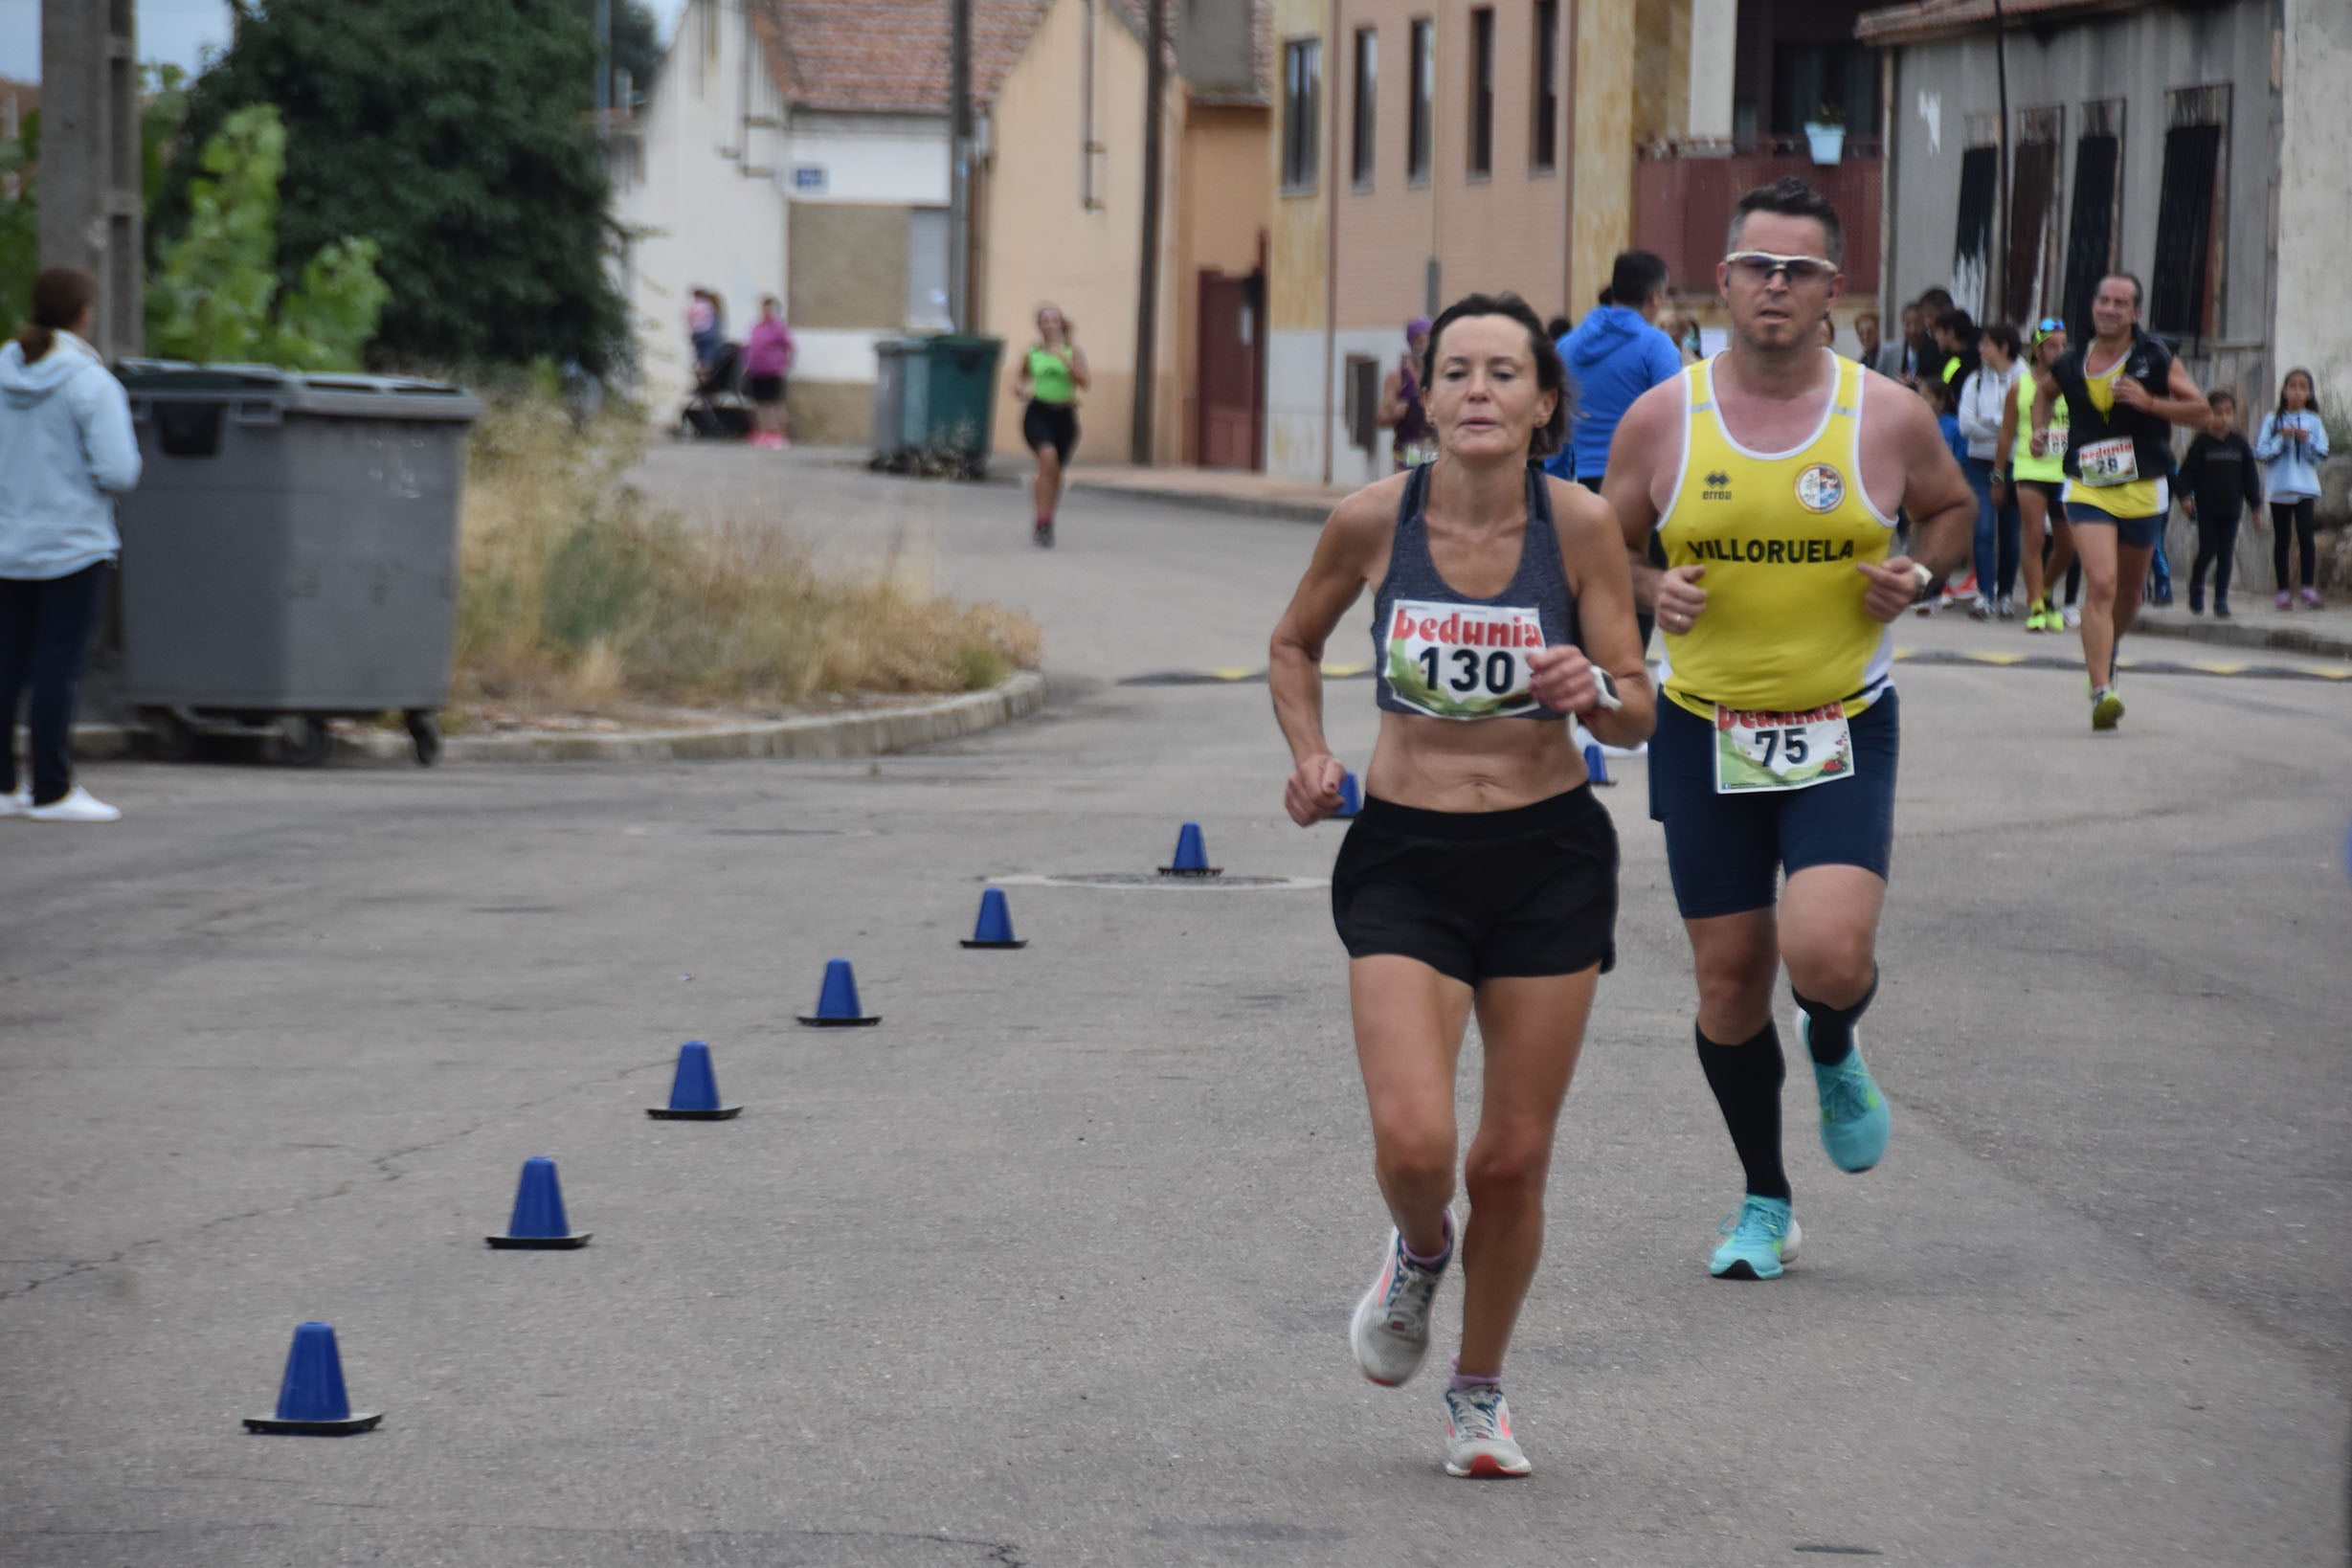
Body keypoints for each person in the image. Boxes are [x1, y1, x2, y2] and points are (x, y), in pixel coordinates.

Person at [1268, 290, 1654, 1478]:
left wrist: (1589, 690)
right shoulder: (1372, 519)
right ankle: (1419, 1250)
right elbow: (1292, 644)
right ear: (1425, 398)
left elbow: (1640, 711)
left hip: (1546, 858)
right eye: (1456, 373)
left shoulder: (1581, 526)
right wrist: (1312, 757)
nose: (1477, 391)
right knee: (1420, 1142)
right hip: (1406, 856)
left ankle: (1478, 1397)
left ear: (1546, 404)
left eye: (1503, 374)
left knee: (1512, 1161)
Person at [1601, 177, 1975, 1283]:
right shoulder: (1664, 416)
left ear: (1830, 291)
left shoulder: (1888, 413)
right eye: (1756, 266)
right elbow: (1596, 549)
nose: (1775, 285)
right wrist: (1645, 587)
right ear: (1720, 282)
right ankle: (1766, 1199)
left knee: (1825, 953)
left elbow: (1953, 511)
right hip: (1703, 726)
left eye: (1798, 270)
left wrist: (1920, 569)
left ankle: (1832, 1033)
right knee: (1727, 982)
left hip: (1842, 723)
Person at [2031, 273, 2208, 730]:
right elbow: (2043, 395)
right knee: (2103, 584)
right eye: (2102, 300)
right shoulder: (2071, 363)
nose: (2109, 308)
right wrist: (2037, 430)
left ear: (2135, 313)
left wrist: (2151, 403)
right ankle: (2101, 692)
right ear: (2093, 307)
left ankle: (2107, 648)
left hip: (2144, 486)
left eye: (2120, 302)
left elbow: (2202, 411)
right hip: (2088, 485)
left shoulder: (2155, 356)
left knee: (2129, 594)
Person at [0, 268, 141, 822]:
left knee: (5, 664)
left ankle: (4, 785)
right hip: (72, 545)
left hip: (7, 544)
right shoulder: (90, 383)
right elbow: (118, 471)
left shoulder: (2, 369)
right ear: (83, 314)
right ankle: (52, 788)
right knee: (57, 666)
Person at [1550, 251, 1684, 650]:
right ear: (1655, 296)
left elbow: (1552, 426)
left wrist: (1552, 491)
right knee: (1637, 591)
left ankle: (1594, 687)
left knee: (1590, 588)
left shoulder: (1567, 347)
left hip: (1585, 488)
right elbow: (1677, 418)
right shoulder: (1655, 345)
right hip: (1643, 493)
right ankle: (1622, 684)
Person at [1999, 320, 2079, 633]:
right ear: (2037, 350)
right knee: (2032, 537)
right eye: (2052, 345)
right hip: (2029, 468)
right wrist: (1996, 474)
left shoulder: (2073, 382)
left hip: (2064, 470)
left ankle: (2044, 591)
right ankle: (2035, 605)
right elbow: (2006, 433)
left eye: (2063, 345)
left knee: (2068, 545)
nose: (2059, 351)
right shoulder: (2021, 387)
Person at [1957, 324, 2024, 619]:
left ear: (2004, 347)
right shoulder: (1975, 380)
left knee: (2011, 534)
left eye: (1986, 344)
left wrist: (1992, 423)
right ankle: (1985, 594)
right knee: (1982, 528)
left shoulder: (2026, 380)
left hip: (2014, 465)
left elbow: (2022, 428)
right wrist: (2002, 425)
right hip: (1978, 464)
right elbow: (1966, 425)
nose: (1980, 350)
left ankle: (2006, 594)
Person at [2178, 390, 2262, 618]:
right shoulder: (2201, 444)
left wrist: (2255, 505)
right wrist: (2185, 496)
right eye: (2218, 413)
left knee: (2226, 554)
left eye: (2228, 413)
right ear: (2208, 414)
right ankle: (2197, 585)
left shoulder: (2239, 445)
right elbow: (2185, 474)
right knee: (2208, 549)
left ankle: (2220, 600)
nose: (2223, 418)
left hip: (2232, 509)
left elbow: (2250, 477)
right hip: (2206, 509)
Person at [1012, 303, 1088, 548]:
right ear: (1039, 325)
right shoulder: (1032, 353)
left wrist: (1066, 361)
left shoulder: (1072, 351)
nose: (1050, 324)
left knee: (1054, 472)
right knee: (1047, 458)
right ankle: (1041, 521)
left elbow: (1085, 382)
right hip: (1038, 412)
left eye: (1054, 320)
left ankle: (1046, 520)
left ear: (1061, 324)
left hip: (1065, 415)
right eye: (1045, 320)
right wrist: (1018, 387)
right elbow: (1020, 376)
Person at [2254, 367, 2331, 609]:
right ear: (2285, 391)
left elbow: (2322, 454)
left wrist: (2305, 440)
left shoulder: (2315, 421)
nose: (2297, 392)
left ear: (2309, 394)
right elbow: (2261, 451)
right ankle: (2283, 590)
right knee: (2282, 539)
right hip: (2279, 488)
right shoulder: (2272, 420)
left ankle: (2308, 587)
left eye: (2302, 387)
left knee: (2306, 537)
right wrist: (2282, 439)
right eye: (2292, 386)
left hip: (2306, 488)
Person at [1378, 317, 1437, 472]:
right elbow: (1381, 418)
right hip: (1406, 459)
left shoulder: (1440, 375)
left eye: (1428, 340)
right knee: (1408, 495)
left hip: (1436, 458)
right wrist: (1394, 413)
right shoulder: (1398, 377)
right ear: (1411, 344)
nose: (1424, 346)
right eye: (1419, 341)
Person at [741, 297, 795, 449]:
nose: (767, 312)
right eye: (765, 308)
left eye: (770, 308)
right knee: (760, 403)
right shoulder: (757, 327)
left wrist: (787, 363)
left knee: (775, 404)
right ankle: (762, 432)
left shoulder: (778, 328)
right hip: (757, 370)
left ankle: (777, 433)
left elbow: (789, 346)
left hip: (773, 370)